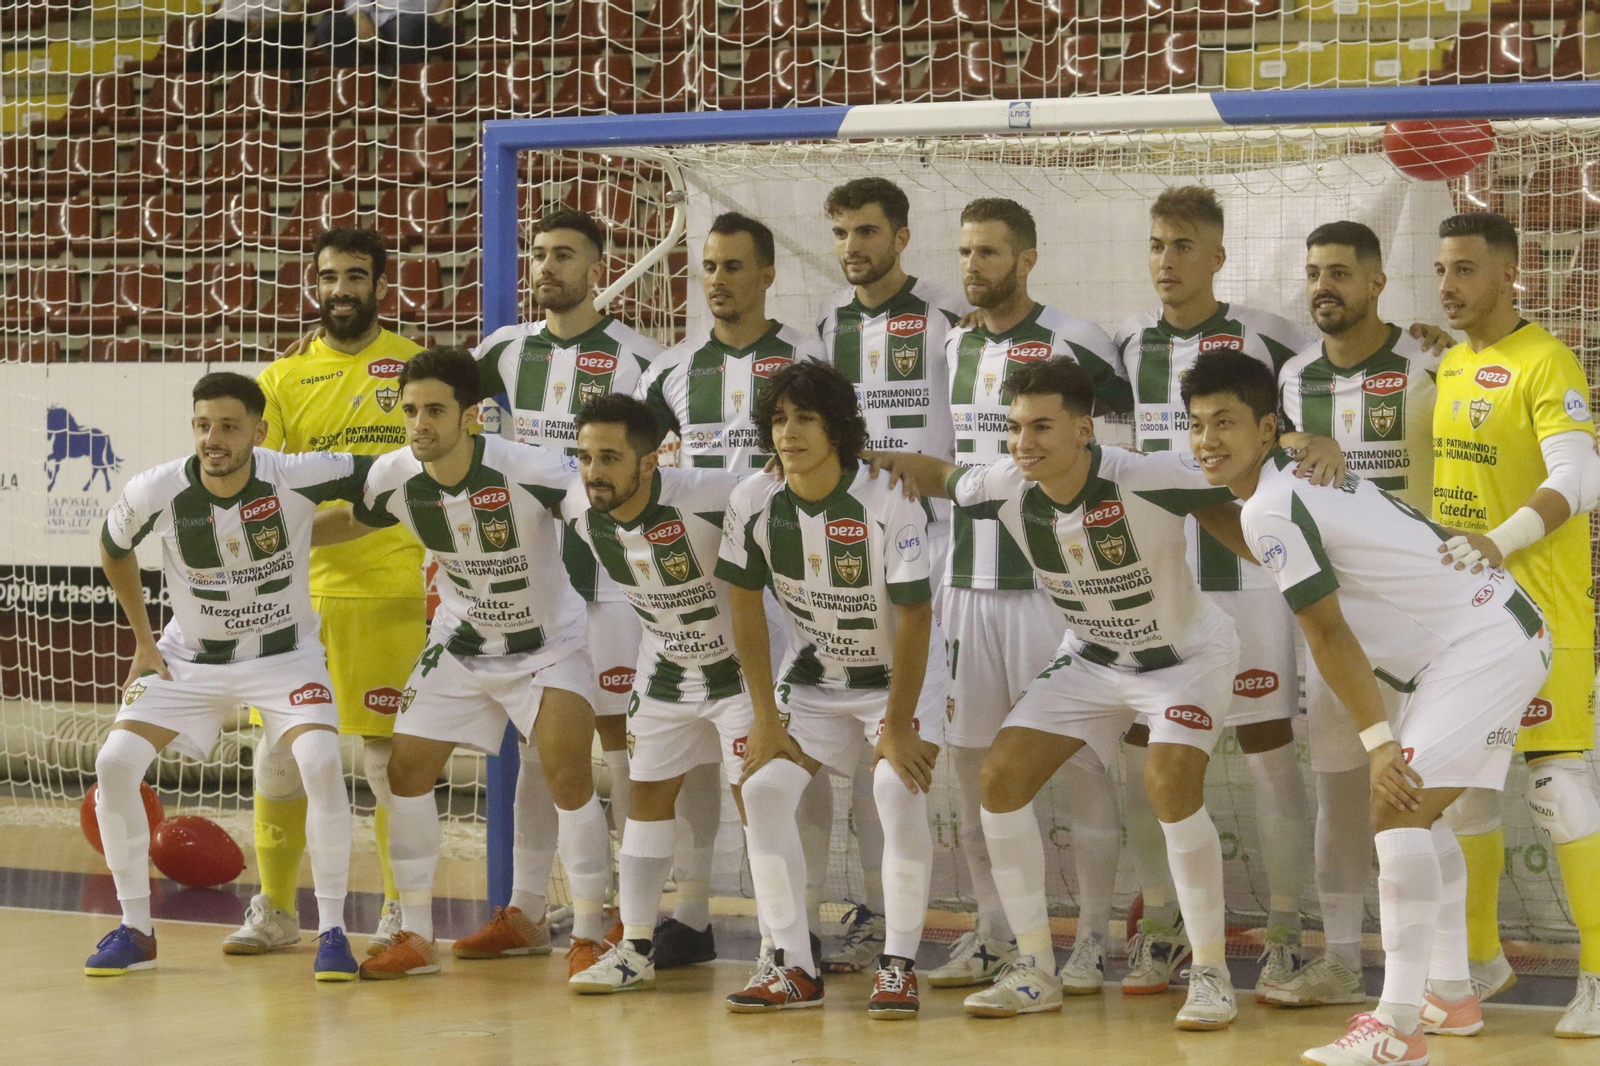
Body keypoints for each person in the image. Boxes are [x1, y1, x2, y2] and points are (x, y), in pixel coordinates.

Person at [1183, 347, 1554, 1065]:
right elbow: (1276, 544)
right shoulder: (1292, 469)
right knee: (1420, 812)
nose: (1206, 441)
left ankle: (1398, 1025)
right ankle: (1449, 991)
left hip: (1483, 643)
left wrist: (1379, 740)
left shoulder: (1273, 501)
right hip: (1490, 632)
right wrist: (1205, 501)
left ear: (1265, 427)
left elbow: (1325, 630)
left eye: (1224, 423)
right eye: (1196, 426)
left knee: (1396, 802)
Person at [870, 357, 1251, 1029]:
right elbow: (938, 477)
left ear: (1084, 428)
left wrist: (1312, 448)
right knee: (998, 776)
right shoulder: (1005, 482)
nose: (1025, 443)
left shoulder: (1147, 474)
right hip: (1092, 659)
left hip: (1184, 662)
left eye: (1042, 427)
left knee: (1165, 782)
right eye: (1016, 428)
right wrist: (866, 456)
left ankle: (1213, 975)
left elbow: (1238, 493)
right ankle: (1035, 970)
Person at [309, 348, 613, 981]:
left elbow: (600, 505)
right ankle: (416, 932)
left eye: (435, 411)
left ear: (471, 416)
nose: (420, 423)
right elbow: (350, 522)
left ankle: (589, 931)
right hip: (461, 641)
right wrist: (283, 537)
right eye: (411, 409)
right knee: (404, 772)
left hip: (548, 644)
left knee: (567, 777)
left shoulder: (530, 468)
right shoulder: (393, 475)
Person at [86, 372, 364, 981]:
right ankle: (135, 928)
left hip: (285, 658)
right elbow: (113, 547)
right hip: (189, 660)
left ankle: (334, 932)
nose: (213, 438)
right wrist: (141, 639)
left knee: (319, 760)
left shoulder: (295, 473)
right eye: (202, 424)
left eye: (229, 426)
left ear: (258, 432)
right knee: (113, 764)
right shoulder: (156, 488)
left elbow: (389, 479)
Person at [1113, 184, 1319, 997]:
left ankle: (1285, 931)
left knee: (1270, 757)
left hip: (1251, 582)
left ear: (1219, 255)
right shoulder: (1123, 343)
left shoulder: (1268, 336)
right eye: (1159, 244)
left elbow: (1323, 385)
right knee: (1147, 759)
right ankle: (1160, 926)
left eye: (1185, 245)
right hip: (1160, 586)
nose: (1168, 260)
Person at [471, 208, 684, 962]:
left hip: (616, 580)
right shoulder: (498, 353)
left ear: (599, 265)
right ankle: (529, 907)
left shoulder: (640, 360)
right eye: (539, 255)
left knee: (625, 744)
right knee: (540, 748)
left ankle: (634, 916)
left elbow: (665, 472)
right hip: (532, 582)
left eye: (565, 255)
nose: (547, 267)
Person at [937, 197, 1130, 993]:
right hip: (967, 588)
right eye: (966, 253)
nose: (974, 267)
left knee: (1084, 767)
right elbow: (941, 464)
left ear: (1027, 258)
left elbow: (1121, 456)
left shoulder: (1078, 341)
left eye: (990, 253)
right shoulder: (948, 347)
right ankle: (994, 930)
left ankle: (1090, 938)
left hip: (1059, 592)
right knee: (973, 766)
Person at [715, 360, 947, 1018]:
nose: (789, 432)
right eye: (780, 420)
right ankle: (791, 964)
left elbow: (916, 615)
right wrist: (765, 717)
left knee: (893, 790)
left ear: (838, 430)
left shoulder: (887, 499)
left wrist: (898, 725)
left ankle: (898, 965)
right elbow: (744, 609)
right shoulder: (753, 501)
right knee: (760, 790)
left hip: (899, 682)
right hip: (816, 678)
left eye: (806, 419)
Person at [1429, 211, 1600, 1038]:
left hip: (1545, 617)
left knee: (1557, 788)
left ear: (1508, 274)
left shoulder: (1548, 362)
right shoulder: (1453, 363)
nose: (1450, 286)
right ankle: (1479, 961)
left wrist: (1498, 544)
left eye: (1465, 270)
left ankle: (1599, 978)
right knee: (1464, 797)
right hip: (1469, 623)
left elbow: (1581, 477)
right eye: (1440, 271)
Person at [233, 227, 425, 960]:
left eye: (354, 276)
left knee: (387, 762)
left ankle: (398, 913)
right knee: (280, 755)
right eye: (328, 277)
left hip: (394, 592)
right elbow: (270, 502)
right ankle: (277, 909)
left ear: (380, 282)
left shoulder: (415, 368)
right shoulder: (279, 383)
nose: (339, 289)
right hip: (298, 601)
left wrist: (337, 522)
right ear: (313, 285)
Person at [1267, 220, 1441, 1006]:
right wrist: (1297, 438)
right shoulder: (1293, 376)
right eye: (1312, 272)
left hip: (1424, 616)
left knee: (1435, 790)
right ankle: (1339, 959)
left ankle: (1450, 966)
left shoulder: (1432, 360)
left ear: (1377, 282)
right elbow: (1260, 457)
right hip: (1331, 618)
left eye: (1338, 272)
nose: (1321, 286)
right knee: (1340, 789)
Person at [811, 176, 968, 974]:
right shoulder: (827, 325)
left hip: (940, 557)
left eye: (866, 231)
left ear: (902, 237)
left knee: (939, 745)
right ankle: (876, 918)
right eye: (840, 233)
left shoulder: (947, 319)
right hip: (851, 559)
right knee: (880, 750)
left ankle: (990, 927)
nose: (852, 248)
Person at [563, 394, 753, 993]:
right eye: (586, 456)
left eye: (610, 457)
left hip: (741, 669)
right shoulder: (574, 499)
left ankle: (783, 948)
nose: (594, 471)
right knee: (644, 800)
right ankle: (636, 947)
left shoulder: (716, 493)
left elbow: (793, 485)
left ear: (649, 463)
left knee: (763, 805)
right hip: (665, 666)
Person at [315, 0, 453, 71]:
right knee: (330, 27)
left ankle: (406, 94)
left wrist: (444, 11)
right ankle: (355, 91)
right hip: (383, 19)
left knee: (403, 28)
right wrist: (360, 16)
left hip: (426, 19)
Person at [187, 0, 307, 74]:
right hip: (232, 24)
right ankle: (192, 98)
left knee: (291, 31)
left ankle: (274, 95)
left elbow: (295, 11)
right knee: (208, 40)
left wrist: (268, 23)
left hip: (274, 27)